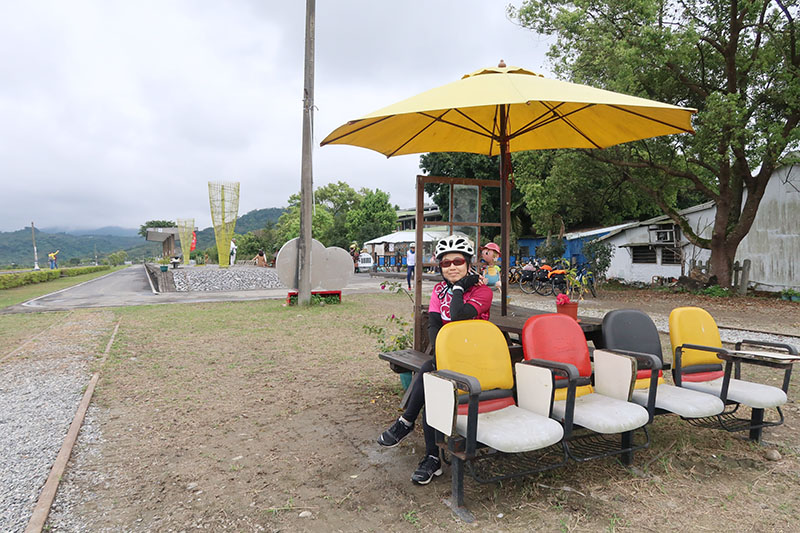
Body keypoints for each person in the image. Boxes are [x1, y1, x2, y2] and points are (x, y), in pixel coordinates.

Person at [377, 235, 492, 485]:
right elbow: (435, 327)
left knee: (430, 373)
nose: (452, 267)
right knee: (433, 384)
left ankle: (408, 424)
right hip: (447, 357)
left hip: (477, 360)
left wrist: (461, 286)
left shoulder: (482, 291)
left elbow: (461, 316)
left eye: (458, 261)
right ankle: (431, 457)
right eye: (445, 263)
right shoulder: (439, 291)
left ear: (469, 263)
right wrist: (445, 358)